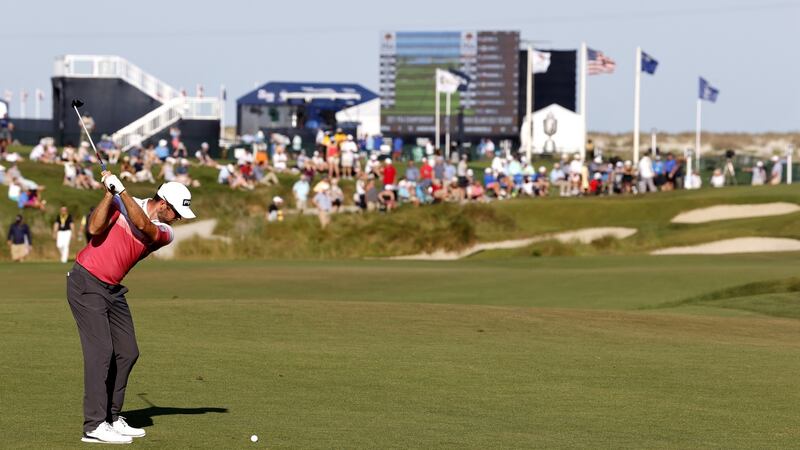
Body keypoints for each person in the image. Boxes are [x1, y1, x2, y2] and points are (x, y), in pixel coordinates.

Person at [67, 172, 195, 444]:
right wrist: (109, 194)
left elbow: (143, 225)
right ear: (164, 204)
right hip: (86, 281)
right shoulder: (121, 202)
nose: (179, 219)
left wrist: (122, 193)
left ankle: (112, 417)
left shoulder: (165, 232)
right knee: (101, 352)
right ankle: (94, 425)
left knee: (127, 351)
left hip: (112, 289)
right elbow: (94, 229)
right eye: (177, 212)